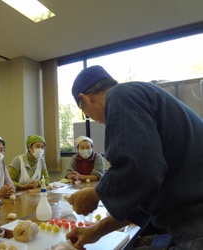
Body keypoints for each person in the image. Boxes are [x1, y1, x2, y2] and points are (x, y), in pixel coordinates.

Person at [66, 65, 203, 249]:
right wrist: (95, 231)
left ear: (85, 98)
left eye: (85, 114)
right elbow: (144, 197)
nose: (97, 121)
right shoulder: (143, 96)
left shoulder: (120, 95)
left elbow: (140, 168)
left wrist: (95, 193)